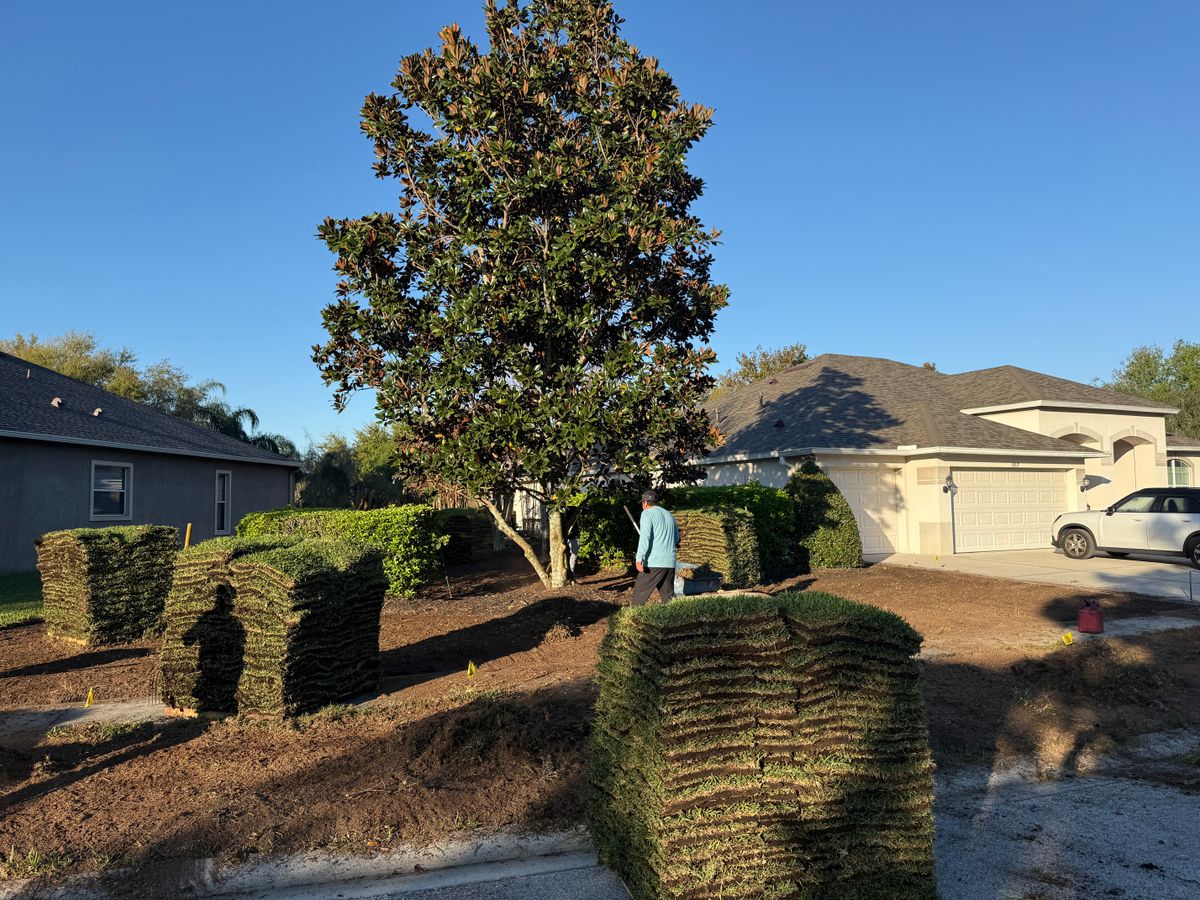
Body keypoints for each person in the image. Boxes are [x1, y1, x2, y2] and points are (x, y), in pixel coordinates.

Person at [632, 490, 680, 606]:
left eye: (642, 503)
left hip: (654, 563)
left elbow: (645, 537)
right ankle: (674, 622)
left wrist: (639, 558)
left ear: (645, 503)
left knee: (639, 596)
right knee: (668, 599)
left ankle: (634, 621)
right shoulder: (669, 514)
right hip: (670, 563)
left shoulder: (647, 513)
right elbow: (676, 539)